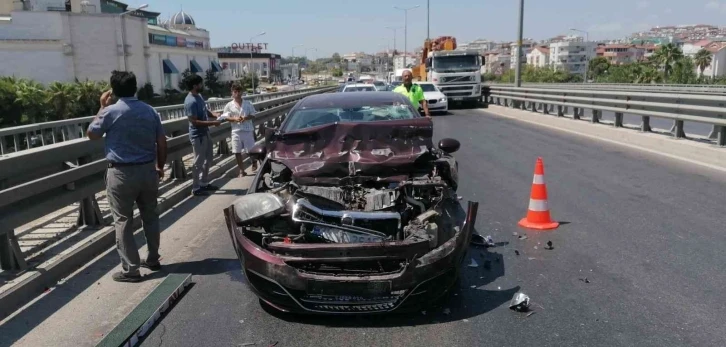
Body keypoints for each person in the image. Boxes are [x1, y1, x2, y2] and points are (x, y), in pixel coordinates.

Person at [86, 71, 167, 283]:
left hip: (121, 173)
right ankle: (152, 258)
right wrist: (160, 166)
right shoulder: (150, 111)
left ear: (113, 91)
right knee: (150, 216)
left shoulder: (111, 111)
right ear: (135, 88)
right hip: (148, 170)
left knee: (123, 220)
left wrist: (102, 106)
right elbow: (162, 141)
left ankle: (131, 269)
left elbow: (92, 134)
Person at [184, 74, 222, 196]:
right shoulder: (190, 101)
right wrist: (212, 123)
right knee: (198, 162)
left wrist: (214, 114)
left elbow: (205, 110)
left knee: (209, 158)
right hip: (197, 136)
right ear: (195, 85)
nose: (202, 85)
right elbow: (194, 121)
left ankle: (204, 182)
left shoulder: (199, 96)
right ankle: (195, 188)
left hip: (205, 133)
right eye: (201, 83)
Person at [219, 82, 258, 177]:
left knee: (251, 150)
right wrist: (234, 119)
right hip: (236, 131)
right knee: (237, 151)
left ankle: (254, 161)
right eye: (235, 91)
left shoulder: (248, 103)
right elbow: (225, 117)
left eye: (239, 91)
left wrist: (245, 118)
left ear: (242, 92)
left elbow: (253, 115)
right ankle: (241, 170)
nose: (237, 93)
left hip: (247, 130)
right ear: (232, 92)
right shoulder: (229, 105)